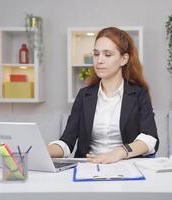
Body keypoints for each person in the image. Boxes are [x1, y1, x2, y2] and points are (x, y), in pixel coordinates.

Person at [48, 27, 159, 164]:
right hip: (89, 168)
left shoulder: (138, 95)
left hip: (125, 166)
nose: (99, 60)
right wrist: (44, 150)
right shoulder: (84, 95)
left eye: (107, 55)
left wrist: (119, 152)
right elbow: (67, 142)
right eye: (96, 54)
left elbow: (150, 139)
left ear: (123, 59)